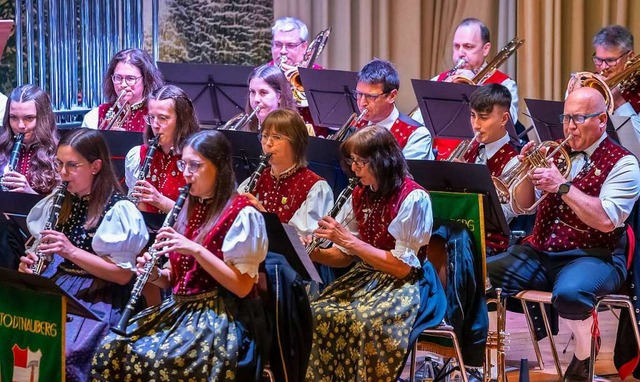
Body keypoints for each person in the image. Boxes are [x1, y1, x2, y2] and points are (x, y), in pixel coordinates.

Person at [487, 87, 640, 381]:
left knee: (571, 293)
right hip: (542, 250)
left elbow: (607, 220)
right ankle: (483, 362)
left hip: (595, 254)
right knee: (477, 274)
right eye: (567, 117)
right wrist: (525, 171)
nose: (570, 126)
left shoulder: (624, 163)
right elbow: (523, 206)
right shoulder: (555, 152)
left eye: (580, 118)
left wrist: (563, 186)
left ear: (601, 121)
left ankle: (584, 353)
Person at [91, 130, 269, 381]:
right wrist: (154, 274)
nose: (186, 173)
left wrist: (196, 249)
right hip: (181, 310)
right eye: (184, 164)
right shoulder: (187, 206)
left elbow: (242, 287)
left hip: (222, 317)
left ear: (219, 167)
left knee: (158, 362)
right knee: (112, 347)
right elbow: (175, 279)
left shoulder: (243, 214)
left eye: (195, 166)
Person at [306, 125, 446, 381]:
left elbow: (403, 267)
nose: (355, 168)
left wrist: (348, 239)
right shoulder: (359, 193)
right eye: (353, 161)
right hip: (367, 276)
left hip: (408, 283)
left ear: (383, 161)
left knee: (364, 321)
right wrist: (312, 253)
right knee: (320, 311)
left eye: (361, 162)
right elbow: (344, 256)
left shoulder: (413, 198)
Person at [18, 129, 149, 380]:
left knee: (65, 351)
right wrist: (33, 266)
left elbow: (122, 276)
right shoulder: (62, 199)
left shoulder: (118, 209)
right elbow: (50, 253)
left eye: (71, 166)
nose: (63, 174)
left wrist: (70, 251)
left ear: (96, 166)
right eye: (59, 164)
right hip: (60, 284)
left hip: (100, 297)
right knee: (23, 335)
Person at [239, 108, 333, 237]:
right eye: (265, 136)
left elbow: (300, 242)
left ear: (295, 142)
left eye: (277, 137)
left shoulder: (314, 187)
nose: (268, 143)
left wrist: (263, 215)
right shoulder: (255, 180)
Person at [125, 84, 200, 213]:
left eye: (163, 118)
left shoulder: (198, 159)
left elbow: (200, 215)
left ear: (182, 119)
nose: (155, 125)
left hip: (182, 232)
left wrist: (160, 201)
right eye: (151, 117)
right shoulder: (138, 155)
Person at [462, 84, 519, 254]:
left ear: (503, 119)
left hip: (491, 243)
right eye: (473, 116)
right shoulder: (469, 149)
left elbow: (505, 214)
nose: (476, 125)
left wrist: (467, 183)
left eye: (484, 117)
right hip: (462, 232)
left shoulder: (514, 160)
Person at [355, 59, 434, 159]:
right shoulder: (354, 126)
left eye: (371, 96)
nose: (362, 103)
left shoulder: (416, 134)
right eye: (359, 94)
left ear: (392, 96)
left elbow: (406, 174)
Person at [82, 48, 164, 132]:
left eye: (130, 78)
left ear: (146, 79)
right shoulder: (94, 116)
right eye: (118, 77)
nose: (123, 85)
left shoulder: (157, 114)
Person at [0, 84, 59, 194]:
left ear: (44, 118)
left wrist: (29, 193)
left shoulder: (60, 154)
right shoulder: (2, 148)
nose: (20, 126)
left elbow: (62, 207)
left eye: (29, 118)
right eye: (13, 117)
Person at [590, 25, 640, 138]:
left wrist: (618, 102)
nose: (603, 67)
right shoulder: (590, 82)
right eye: (598, 59)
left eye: (610, 60)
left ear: (630, 57)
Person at [240, 65, 297, 132]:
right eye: (253, 92)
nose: (256, 99)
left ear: (280, 97)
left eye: (263, 92)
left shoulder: (295, 131)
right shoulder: (243, 128)